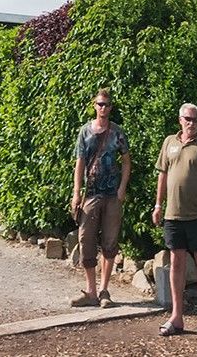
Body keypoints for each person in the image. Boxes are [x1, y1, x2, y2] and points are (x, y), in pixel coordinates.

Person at [154, 102, 197, 340]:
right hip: (173, 216)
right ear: (180, 120)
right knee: (176, 263)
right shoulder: (169, 143)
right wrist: (158, 206)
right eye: (187, 119)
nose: (191, 123)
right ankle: (177, 316)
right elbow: (162, 175)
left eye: (195, 120)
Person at [70, 87, 131, 308]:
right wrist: (77, 192)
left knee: (110, 242)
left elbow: (126, 161)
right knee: (86, 240)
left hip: (112, 195)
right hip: (91, 193)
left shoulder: (118, 133)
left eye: (106, 104)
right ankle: (91, 291)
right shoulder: (85, 132)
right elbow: (79, 164)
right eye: (99, 104)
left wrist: (122, 187)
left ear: (111, 108)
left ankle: (104, 290)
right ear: (94, 106)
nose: (103, 108)